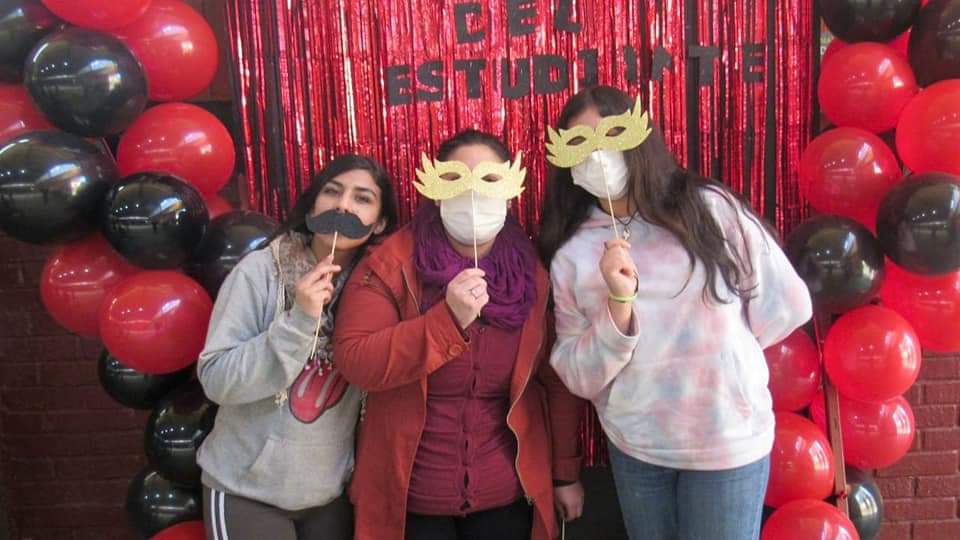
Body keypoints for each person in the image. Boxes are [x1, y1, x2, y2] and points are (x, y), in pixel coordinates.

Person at [538, 86, 812, 540]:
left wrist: (723, 363)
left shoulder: (709, 210)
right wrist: (619, 307)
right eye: (581, 144)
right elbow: (577, 375)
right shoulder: (573, 254)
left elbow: (786, 304)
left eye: (612, 137)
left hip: (726, 445)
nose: (598, 156)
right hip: (637, 449)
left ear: (640, 138)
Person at [333, 130, 584, 540]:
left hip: (506, 494)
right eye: (455, 179)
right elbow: (356, 360)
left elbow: (554, 380)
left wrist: (564, 474)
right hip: (410, 501)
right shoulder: (391, 263)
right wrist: (446, 320)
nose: (472, 193)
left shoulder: (531, 274)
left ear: (511, 193)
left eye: (489, 180)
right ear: (435, 191)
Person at [195, 154, 398, 540]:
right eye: (332, 192)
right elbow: (217, 380)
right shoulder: (259, 272)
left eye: (362, 198)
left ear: (380, 222)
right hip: (246, 491)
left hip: (329, 495)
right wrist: (299, 320)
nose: (343, 206)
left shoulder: (378, 291)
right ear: (312, 206)